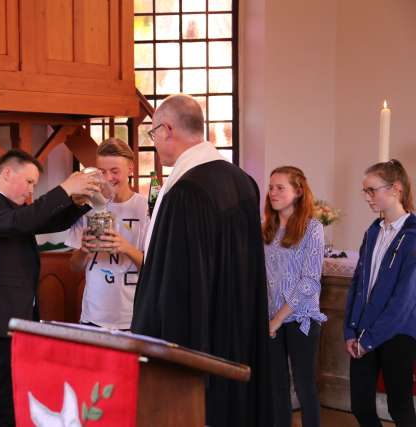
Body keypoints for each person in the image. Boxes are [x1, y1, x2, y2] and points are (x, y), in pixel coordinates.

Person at [130, 94, 272, 426]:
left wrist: (157, 346)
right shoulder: (242, 180)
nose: (154, 144)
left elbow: (177, 287)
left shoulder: (186, 192)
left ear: (167, 130)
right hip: (237, 331)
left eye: (152, 134)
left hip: (200, 343)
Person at [0, 149, 99, 427]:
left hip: (17, 316)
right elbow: (22, 221)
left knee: (17, 399)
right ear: (7, 173)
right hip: (0, 318)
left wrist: (84, 201)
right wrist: (64, 188)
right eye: (29, 182)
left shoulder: (8, 208)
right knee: (1, 405)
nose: (31, 190)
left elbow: (46, 219)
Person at [344, 159, 416, 427]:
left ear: (396, 189)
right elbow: (358, 283)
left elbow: (405, 300)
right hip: (363, 333)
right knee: (360, 406)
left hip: (398, 334)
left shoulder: (413, 235)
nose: (367, 197)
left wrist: (369, 339)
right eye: (365, 191)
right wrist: (351, 331)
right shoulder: (373, 232)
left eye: (372, 190)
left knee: (400, 409)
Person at [262, 166, 326, 427]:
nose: (273, 192)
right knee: (277, 387)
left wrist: (278, 319)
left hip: (300, 319)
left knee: (304, 385)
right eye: (270, 187)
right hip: (270, 319)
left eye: (280, 188)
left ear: (298, 191)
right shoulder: (266, 228)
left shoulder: (313, 229)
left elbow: (310, 282)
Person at [66, 138, 148, 330]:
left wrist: (125, 247)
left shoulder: (145, 209)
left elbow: (153, 268)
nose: (108, 178)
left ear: (130, 169)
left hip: (132, 317)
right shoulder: (88, 206)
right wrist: (84, 250)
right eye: (102, 172)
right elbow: (74, 267)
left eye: (115, 171)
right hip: (93, 316)